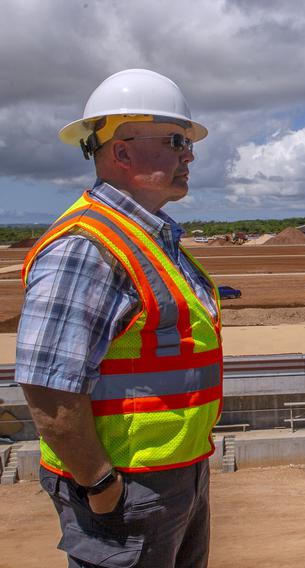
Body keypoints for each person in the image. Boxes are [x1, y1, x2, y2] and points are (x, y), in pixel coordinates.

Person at [16, 68, 221, 567]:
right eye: (177, 140)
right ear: (122, 151)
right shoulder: (85, 248)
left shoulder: (152, 238)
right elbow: (48, 388)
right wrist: (102, 485)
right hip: (126, 487)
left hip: (177, 474)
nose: (189, 154)